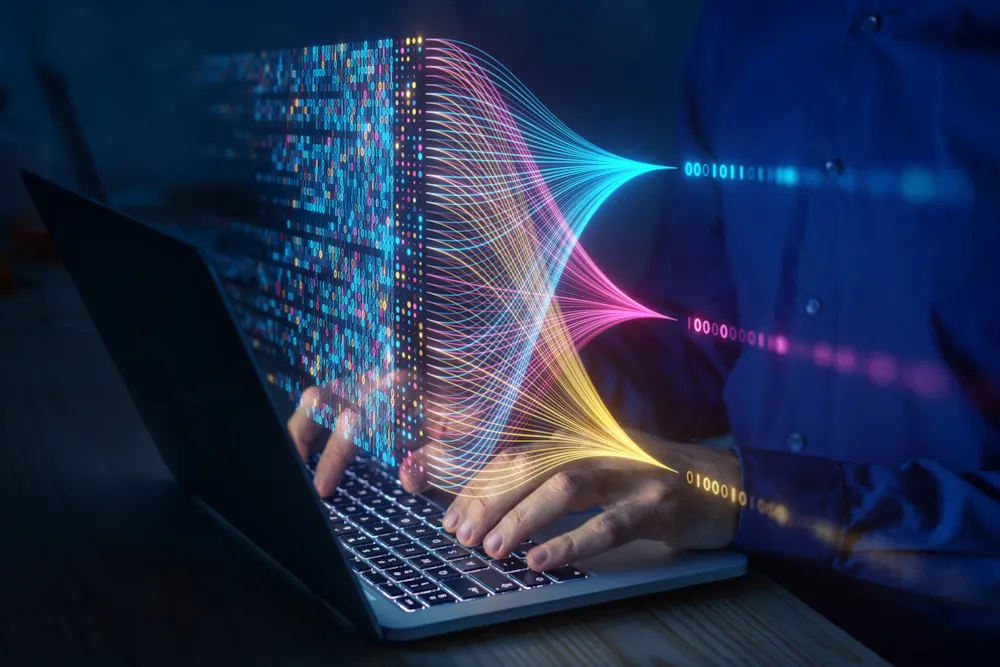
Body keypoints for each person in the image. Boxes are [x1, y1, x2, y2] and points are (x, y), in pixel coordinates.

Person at [287, 2, 999, 663]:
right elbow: (700, 337)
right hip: (741, 596)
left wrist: (747, 493)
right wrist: (506, 403)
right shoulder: (750, 22)